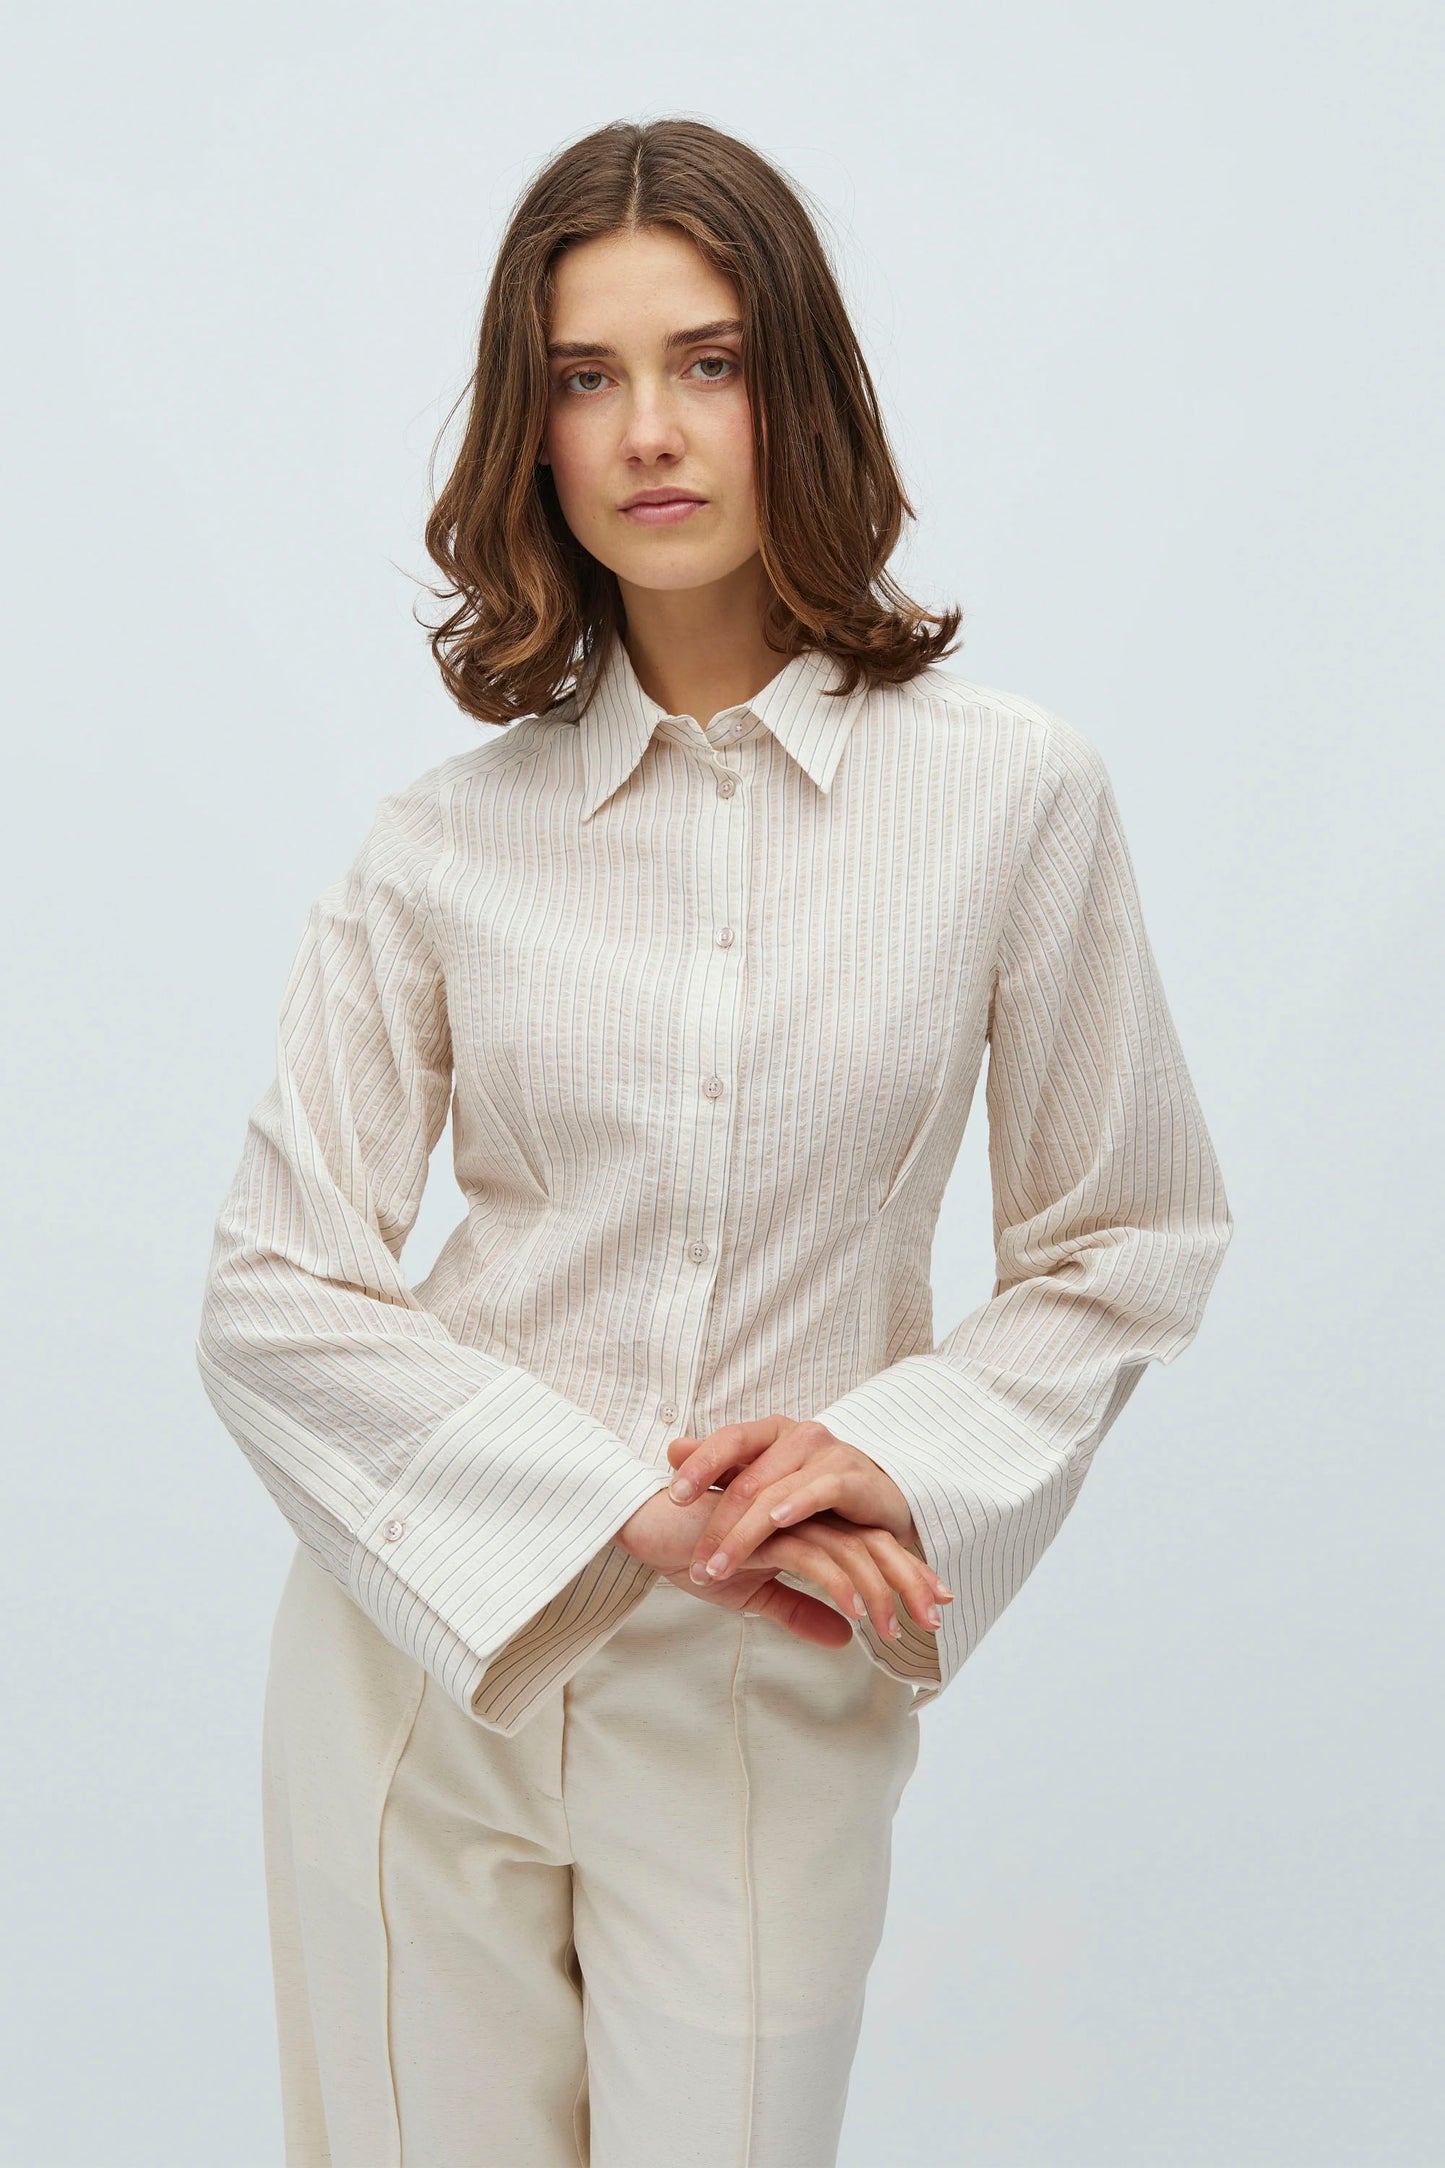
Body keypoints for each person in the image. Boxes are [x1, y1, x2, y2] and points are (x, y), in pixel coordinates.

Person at [195, 115, 1234, 2168]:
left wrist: (898, 1456)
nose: (649, 431)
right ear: (532, 430)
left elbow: (1128, 1230)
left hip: (772, 1680)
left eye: (710, 361)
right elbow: (270, 1289)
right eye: (585, 376)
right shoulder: (441, 844)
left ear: (800, 391)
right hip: (425, 1662)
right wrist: (620, 1507)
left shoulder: (1011, 795)